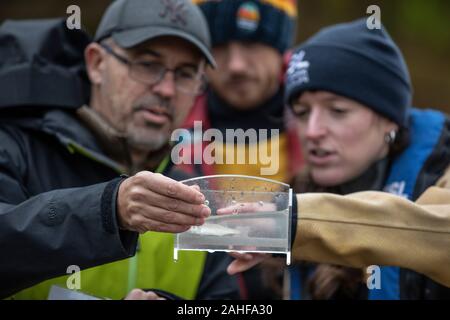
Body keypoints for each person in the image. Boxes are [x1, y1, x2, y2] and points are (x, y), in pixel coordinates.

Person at [1, 0, 238, 300]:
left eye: (185, 73)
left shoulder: (197, 197)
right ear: (96, 63)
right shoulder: (15, 148)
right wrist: (109, 209)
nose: (166, 89)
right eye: (147, 65)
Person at [227, 18, 450, 299]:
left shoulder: (442, 175)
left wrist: (297, 223)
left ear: (390, 121)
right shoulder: (297, 190)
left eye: (338, 111)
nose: (312, 131)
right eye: (303, 112)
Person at [174, 0, 303, 300]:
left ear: (282, 47)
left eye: (252, 44)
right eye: (219, 47)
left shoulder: (331, 124)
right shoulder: (166, 121)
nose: (235, 65)